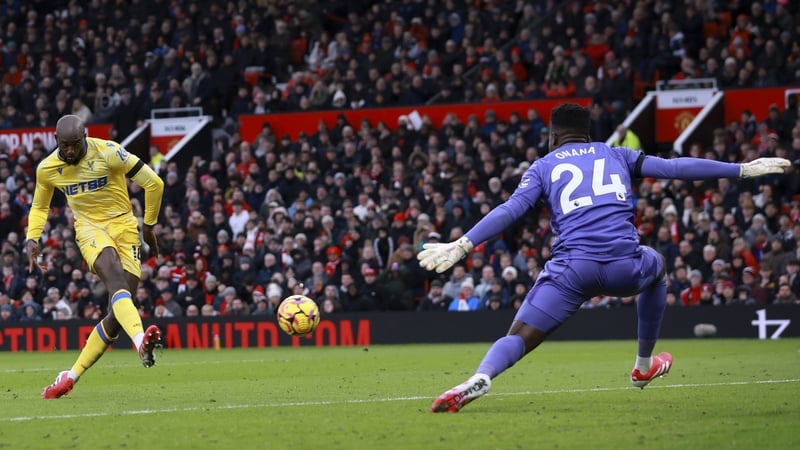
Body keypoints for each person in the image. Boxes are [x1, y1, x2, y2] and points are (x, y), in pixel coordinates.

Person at [417, 103, 791, 413]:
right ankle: (643, 367)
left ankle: (481, 377)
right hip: (625, 267)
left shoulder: (544, 166)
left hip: (572, 271)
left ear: (552, 136)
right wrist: (741, 169)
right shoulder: (617, 154)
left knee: (518, 337)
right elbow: (674, 169)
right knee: (658, 266)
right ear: (589, 134)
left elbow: (511, 209)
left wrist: (462, 244)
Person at [26, 115, 165, 399]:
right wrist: (32, 237)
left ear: (85, 137)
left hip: (125, 227)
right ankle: (141, 343)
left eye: (75, 145)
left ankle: (69, 376)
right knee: (115, 279)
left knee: (116, 316)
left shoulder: (110, 152)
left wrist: (149, 226)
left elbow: (154, 184)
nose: (70, 151)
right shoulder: (47, 168)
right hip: (89, 229)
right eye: (65, 146)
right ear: (57, 142)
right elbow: (40, 206)